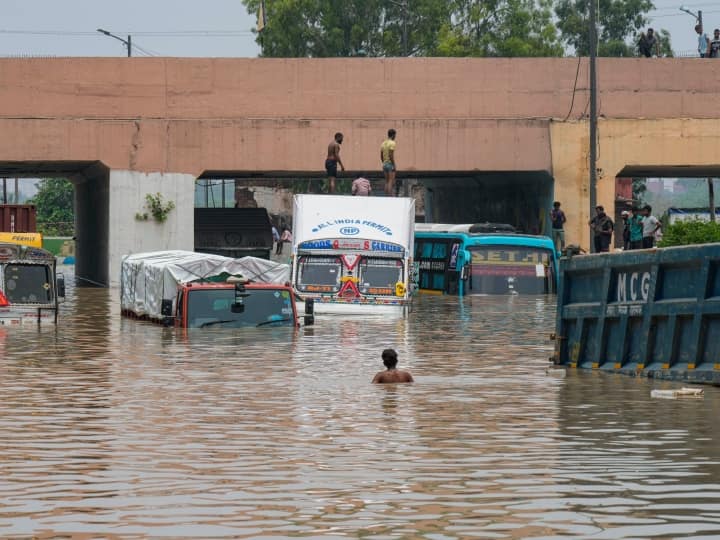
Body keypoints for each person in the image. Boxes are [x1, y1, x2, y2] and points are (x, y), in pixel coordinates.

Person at [380, 129, 397, 196]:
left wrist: (384, 162)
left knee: (386, 181)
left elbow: (381, 155)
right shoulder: (392, 143)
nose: (395, 137)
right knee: (390, 181)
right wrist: (394, 164)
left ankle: (386, 196)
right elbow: (391, 155)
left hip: (384, 164)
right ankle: (390, 196)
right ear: (393, 135)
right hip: (390, 163)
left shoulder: (383, 143)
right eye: (395, 135)